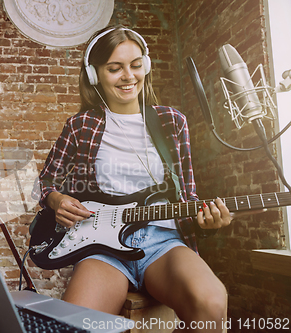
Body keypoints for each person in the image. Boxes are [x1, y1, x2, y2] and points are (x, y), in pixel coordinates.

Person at [32, 25, 233, 332]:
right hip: (102, 248)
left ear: (146, 66)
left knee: (212, 302)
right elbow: (45, 181)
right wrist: (56, 199)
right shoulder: (80, 125)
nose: (129, 76)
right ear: (94, 74)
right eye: (115, 68)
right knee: (74, 325)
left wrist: (207, 222)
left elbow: (188, 195)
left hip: (163, 242)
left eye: (136, 65)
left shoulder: (172, 121)